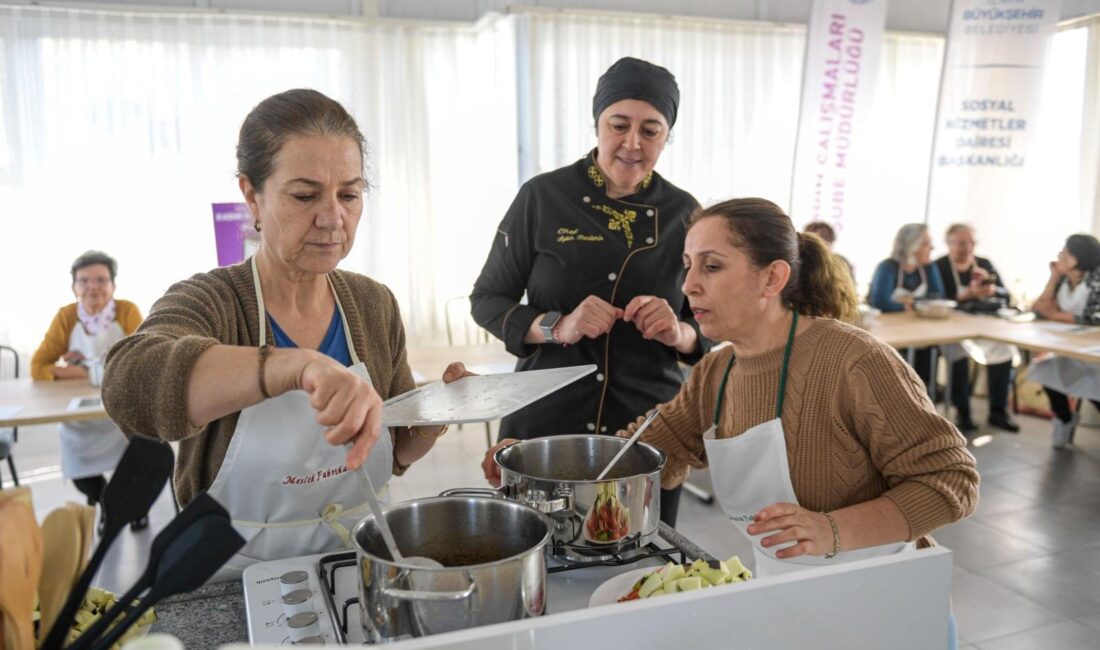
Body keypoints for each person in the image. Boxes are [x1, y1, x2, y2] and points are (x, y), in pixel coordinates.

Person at [484, 198, 976, 646]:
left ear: (772, 278)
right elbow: (643, 456)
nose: (688, 285)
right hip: (786, 599)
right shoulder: (717, 371)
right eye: (687, 266)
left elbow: (952, 479)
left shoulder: (854, 361)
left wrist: (831, 529)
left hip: (887, 607)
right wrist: (529, 469)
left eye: (712, 266)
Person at [103, 89, 467, 575]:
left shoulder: (372, 304)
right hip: (233, 577)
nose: (333, 218)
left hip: (358, 564)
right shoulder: (212, 301)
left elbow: (395, 452)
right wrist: (294, 366)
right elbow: (129, 386)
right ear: (251, 195)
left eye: (349, 194)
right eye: (305, 195)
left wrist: (435, 416)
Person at [470, 57, 712, 527]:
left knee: (645, 557)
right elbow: (488, 300)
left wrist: (679, 332)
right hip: (546, 420)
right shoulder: (543, 197)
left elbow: (708, 322)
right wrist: (558, 326)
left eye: (651, 130)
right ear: (597, 123)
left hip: (646, 426)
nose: (632, 143)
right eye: (619, 125)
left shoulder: (685, 213)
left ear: (667, 136)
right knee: (539, 551)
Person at [31, 251, 149, 531]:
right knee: (78, 468)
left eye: (100, 280)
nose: (92, 287)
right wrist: (88, 372)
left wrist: (77, 366)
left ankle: (135, 508)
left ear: (113, 285)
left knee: (138, 457)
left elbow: (142, 357)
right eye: (84, 281)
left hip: (122, 408)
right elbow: (38, 366)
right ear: (73, 287)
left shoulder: (127, 311)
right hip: (80, 415)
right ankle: (106, 501)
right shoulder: (66, 317)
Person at [934, 224, 1019, 433]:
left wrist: (992, 289)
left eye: (972, 242)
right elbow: (935, 299)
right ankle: (963, 412)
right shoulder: (939, 267)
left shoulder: (983, 264)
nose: (968, 248)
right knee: (958, 353)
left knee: (1004, 350)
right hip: (952, 327)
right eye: (962, 243)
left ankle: (998, 410)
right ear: (948, 243)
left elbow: (1006, 295)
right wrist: (966, 296)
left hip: (984, 326)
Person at [1028, 234, 1100, 448]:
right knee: (1045, 369)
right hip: (1067, 346)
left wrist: (1055, 315)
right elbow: (1039, 309)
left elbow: (1095, 317)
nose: (1059, 255)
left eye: (1065, 252)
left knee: (1094, 385)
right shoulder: (1062, 279)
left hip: (1093, 349)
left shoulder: (1096, 278)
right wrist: (1052, 278)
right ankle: (1064, 418)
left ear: (1076, 258)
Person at [868, 223, 946, 394]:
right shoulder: (887, 267)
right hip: (892, 334)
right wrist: (918, 304)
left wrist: (910, 303)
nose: (932, 248)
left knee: (928, 360)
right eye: (926, 243)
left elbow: (937, 298)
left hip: (921, 331)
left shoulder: (929, 268)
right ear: (911, 245)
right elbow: (881, 302)